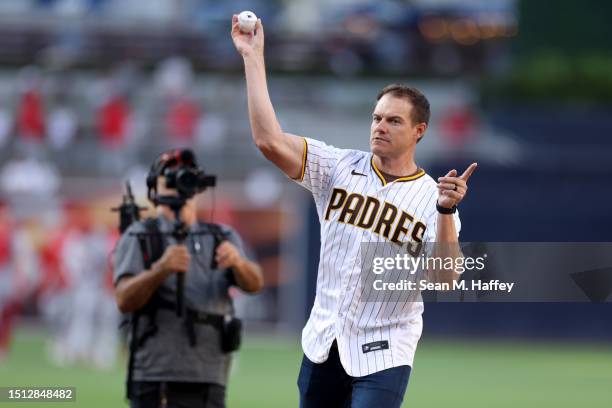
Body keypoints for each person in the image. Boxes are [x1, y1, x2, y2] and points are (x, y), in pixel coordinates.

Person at [231, 16, 477, 408]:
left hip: (386, 347)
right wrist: (253, 57)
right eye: (377, 117)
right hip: (324, 340)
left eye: (394, 120)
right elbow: (268, 140)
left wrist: (446, 212)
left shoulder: (433, 198)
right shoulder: (338, 167)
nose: (380, 126)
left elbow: (446, 280)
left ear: (419, 130)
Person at [113, 148, 263, 408]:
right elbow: (124, 299)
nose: (177, 180)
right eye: (168, 176)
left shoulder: (221, 236)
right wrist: (160, 269)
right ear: (154, 187)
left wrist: (238, 263)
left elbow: (255, 283)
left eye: (184, 174)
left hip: (210, 377)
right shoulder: (140, 236)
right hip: (155, 378)